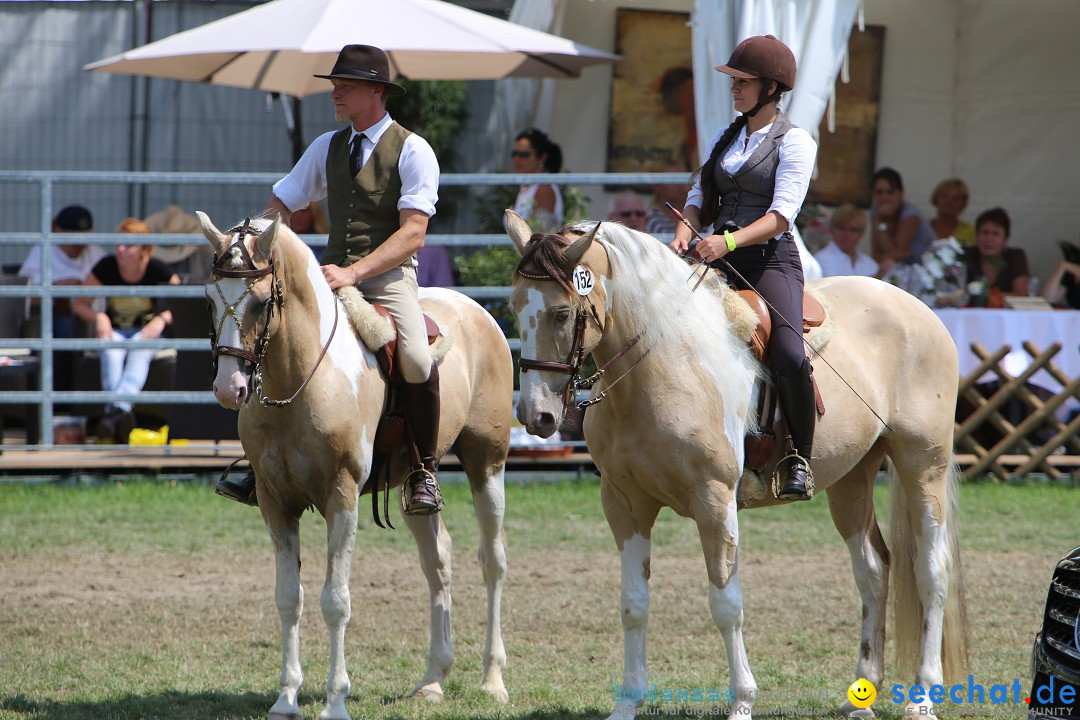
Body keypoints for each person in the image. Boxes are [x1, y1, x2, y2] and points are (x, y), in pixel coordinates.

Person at [216, 44, 444, 515]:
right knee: (271, 339)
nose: (335, 93)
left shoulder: (414, 149)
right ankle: (262, 465)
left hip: (387, 280)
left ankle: (423, 471)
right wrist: (258, 244)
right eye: (335, 85)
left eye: (347, 86)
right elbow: (280, 205)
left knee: (418, 360)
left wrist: (356, 272)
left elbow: (414, 233)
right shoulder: (327, 146)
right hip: (328, 275)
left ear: (376, 91)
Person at [668, 35, 818, 501]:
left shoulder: (795, 141)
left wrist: (726, 240)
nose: (734, 89)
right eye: (734, 81)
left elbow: (781, 216)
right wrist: (684, 229)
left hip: (769, 258)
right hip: (714, 252)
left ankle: (800, 458)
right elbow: (698, 195)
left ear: (771, 88)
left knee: (790, 354)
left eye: (743, 82)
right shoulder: (725, 134)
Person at [72, 218, 181, 443]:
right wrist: (99, 316)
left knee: (140, 350)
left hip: (146, 333)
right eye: (119, 243)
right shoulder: (106, 266)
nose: (121, 249)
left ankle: (113, 415)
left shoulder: (157, 268)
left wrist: (161, 319)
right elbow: (79, 303)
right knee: (111, 352)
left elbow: (182, 303)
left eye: (129, 245)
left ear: (144, 249)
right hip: (116, 331)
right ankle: (119, 414)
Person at [18, 204, 107, 339]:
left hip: (93, 317)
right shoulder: (43, 251)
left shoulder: (95, 252)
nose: (77, 244)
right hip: (54, 320)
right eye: (72, 238)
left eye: (83, 238)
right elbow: (23, 297)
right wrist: (56, 287)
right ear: (58, 231)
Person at [869, 167, 935, 269]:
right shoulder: (876, 212)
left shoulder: (910, 215)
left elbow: (897, 258)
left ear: (901, 192)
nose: (884, 197)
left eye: (890, 192)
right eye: (879, 192)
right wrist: (880, 219)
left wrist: (880, 222)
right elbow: (876, 255)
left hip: (927, 271)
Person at [962, 207, 1030, 297]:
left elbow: (1021, 295)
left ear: (1005, 239)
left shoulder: (1015, 256)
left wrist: (984, 297)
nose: (989, 238)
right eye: (985, 232)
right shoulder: (966, 254)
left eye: (995, 234)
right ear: (977, 235)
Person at [510, 127, 563, 229]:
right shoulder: (528, 187)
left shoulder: (544, 188)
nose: (516, 159)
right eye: (514, 154)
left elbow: (542, 233)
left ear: (542, 157)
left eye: (524, 154)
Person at [815, 204, 879, 278]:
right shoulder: (821, 260)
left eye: (853, 230)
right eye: (841, 228)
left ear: (862, 233)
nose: (846, 234)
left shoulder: (870, 264)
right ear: (831, 229)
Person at [929, 178, 976, 246]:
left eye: (956, 198)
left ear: (963, 205)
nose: (949, 202)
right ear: (936, 198)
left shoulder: (972, 232)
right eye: (945, 196)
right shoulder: (921, 228)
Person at [645, 165, 686, 236]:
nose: (681, 184)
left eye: (682, 178)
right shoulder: (652, 219)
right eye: (674, 180)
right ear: (657, 186)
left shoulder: (694, 210)